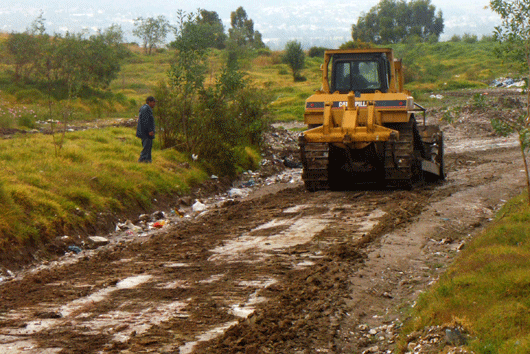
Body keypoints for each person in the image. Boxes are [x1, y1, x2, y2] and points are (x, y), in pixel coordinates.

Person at [136, 96, 156, 163]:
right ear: (149, 102)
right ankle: (142, 160)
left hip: (146, 132)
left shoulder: (147, 108)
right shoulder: (146, 109)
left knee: (148, 147)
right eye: (153, 102)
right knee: (146, 147)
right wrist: (150, 130)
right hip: (146, 133)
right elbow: (146, 121)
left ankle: (147, 161)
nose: (154, 103)